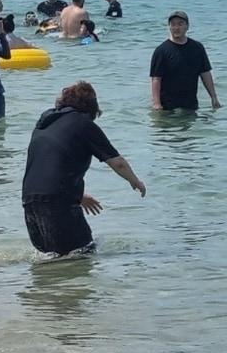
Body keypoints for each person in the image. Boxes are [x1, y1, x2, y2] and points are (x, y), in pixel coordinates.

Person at [21, 81, 146, 257]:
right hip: (57, 201)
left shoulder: (44, 124)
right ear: (91, 106)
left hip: (29, 201)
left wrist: (78, 195)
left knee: (50, 259)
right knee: (83, 254)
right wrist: (135, 181)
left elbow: (48, 165)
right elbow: (117, 162)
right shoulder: (82, 124)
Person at [149, 11, 220, 112]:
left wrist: (213, 97)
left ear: (187, 26)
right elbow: (156, 78)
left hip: (190, 105)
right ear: (169, 27)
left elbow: (205, 73)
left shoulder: (197, 48)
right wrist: (156, 103)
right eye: (173, 24)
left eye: (180, 24)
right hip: (167, 107)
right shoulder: (161, 51)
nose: (176, 28)